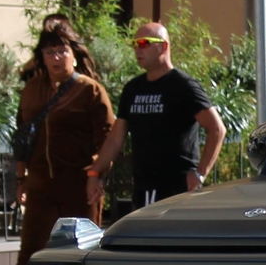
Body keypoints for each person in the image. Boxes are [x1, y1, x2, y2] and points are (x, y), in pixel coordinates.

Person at [0, 16, 113, 265]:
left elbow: (108, 139)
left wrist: (96, 176)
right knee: (31, 252)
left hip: (78, 186)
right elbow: (22, 137)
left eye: (61, 50)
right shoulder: (33, 89)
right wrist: (21, 179)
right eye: (49, 51)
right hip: (40, 185)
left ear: (74, 54)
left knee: (81, 254)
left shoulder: (90, 91)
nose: (55, 57)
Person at [87, 20, 224, 214]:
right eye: (135, 44)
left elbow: (217, 129)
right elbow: (115, 139)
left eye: (144, 43)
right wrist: (95, 172)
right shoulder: (133, 89)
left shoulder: (183, 86)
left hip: (177, 188)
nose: (137, 50)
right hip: (143, 186)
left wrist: (200, 174)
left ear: (163, 47)